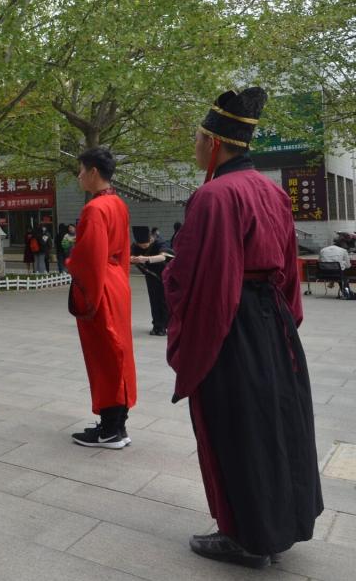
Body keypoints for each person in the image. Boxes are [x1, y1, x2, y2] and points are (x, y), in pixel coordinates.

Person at [165, 87, 321, 568]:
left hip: (230, 327)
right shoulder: (271, 191)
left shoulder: (213, 196)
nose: (194, 147)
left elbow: (203, 279)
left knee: (235, 426)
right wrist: (283, 322)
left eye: (197, 139)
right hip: (273, 323)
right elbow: (289, 270)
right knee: (274, 423)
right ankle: (277, 524)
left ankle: (244, 536)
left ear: (214, 143)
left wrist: (170, 278)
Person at [66, 147, 135, 449]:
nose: (79, 176)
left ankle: (110, 429)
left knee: (104, 355)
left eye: (81, 170)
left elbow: (89, 258)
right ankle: (117, 425)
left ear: (94, 171)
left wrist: (72, 266)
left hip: (101, 284)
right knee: (118, 352)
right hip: (117, 281)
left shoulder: (94, 209)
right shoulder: (118, 203)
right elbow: (123, 250)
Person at [130, 226, 172, 336]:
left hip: (164, 275)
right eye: (141, 245)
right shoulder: (135, 246)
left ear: (150, 239)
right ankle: (156, 324)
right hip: (150, 276)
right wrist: (132, 259)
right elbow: (128, 256)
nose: (143, 247)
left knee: (163, 300)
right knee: (153, 300)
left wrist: (146, 259)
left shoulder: (159, 243)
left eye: (145, 244)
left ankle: (163, 326)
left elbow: (165, 256)